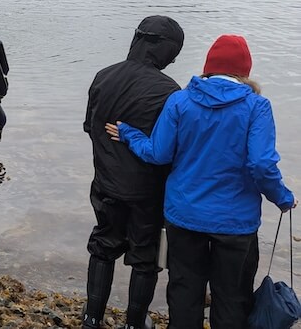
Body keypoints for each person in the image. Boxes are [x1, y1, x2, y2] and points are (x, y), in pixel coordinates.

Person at [107, 34, 297, 328]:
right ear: (245, 70)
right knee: (233, 298)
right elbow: (261, 164)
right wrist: (283, 198)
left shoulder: (180, 100)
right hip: (236, 223)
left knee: (184, 291)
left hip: (184, 216)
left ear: (208, 67)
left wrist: (131, 134)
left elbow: (158, 154)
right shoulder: (257, 106)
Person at [81, 16, 185, 329]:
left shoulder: (104, 77)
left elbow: (90, 126)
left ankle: (91, 319)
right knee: (144, 257)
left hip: (106, 183)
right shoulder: (169, 91)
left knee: (103, 246)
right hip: (147, 191)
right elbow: (169, 150)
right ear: (164, 51)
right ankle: (134, 323)